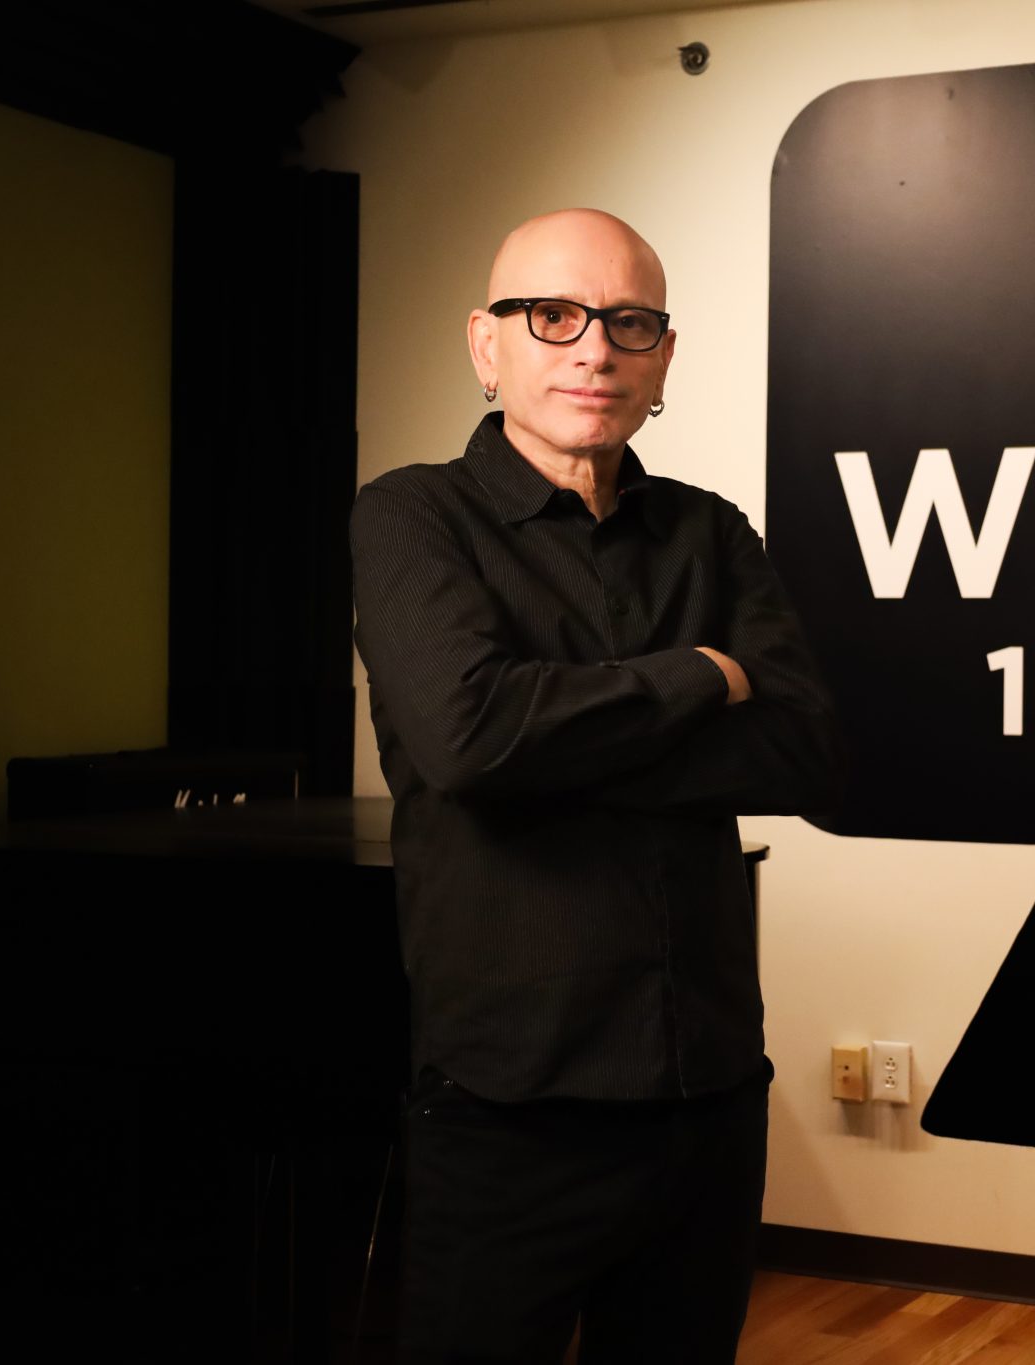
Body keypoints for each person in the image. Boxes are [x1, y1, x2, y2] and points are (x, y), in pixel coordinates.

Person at [348, 208, 842, 1363]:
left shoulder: (709, 534)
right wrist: (696, 676)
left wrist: (558, 742)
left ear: (662, 354)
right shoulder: (412, 516)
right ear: (488, 344)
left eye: (628, 322)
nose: (592, 348)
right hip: (510, 1108)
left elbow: (804, 750)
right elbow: (470, 739)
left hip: (706, 1091)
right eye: (553, 316)